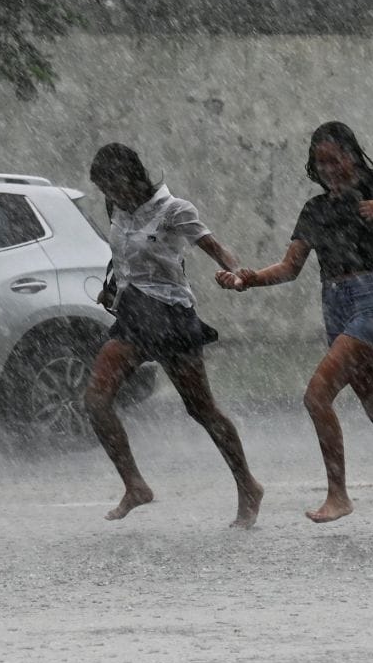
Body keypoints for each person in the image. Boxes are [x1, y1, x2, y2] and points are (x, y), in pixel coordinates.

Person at [215, 122, 373, 529]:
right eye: (320, 162)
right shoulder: (316, 209)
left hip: (369, 302)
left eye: (334, 159)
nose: (328, 168)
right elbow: (290, 268)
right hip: (335, 307)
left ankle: (338, 494)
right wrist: (247, 279)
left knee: (316, 395)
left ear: (352, 155)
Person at [84, 143, 265, 528]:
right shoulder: (116, 209)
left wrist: (236, 274)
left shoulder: (174, 210)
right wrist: (112, 288)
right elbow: (121, 257)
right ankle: (135, 485)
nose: (110, 195)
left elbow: (216, 249)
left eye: (113, 185)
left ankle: (248, 485)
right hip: (134, 315)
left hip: (170, 316)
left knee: (201, 409)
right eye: (104, 189)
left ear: (133, 175)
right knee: (97, 399)